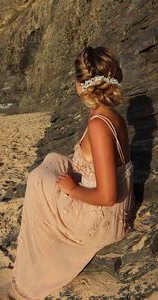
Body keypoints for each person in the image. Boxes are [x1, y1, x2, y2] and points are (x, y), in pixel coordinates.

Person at [11, 46, 134, 300]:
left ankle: (36, 270)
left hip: (101, 220)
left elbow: (108, 196)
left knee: (38, 182)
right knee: (54, 161)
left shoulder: (99, 124)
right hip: (114, 211)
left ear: (80, 86)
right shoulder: (112, 115)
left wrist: (73, 189)